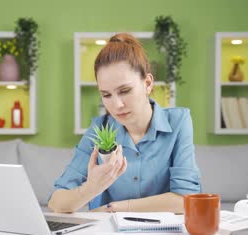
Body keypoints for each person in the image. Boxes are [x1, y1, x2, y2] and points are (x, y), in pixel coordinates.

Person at [48, 33, 200, 213]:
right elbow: (56, 202)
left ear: (148, 83)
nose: (117, 105)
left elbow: (186, 199)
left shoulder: (178, 122)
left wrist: (117, 207)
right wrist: (92, 187)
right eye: (106, 95)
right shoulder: (99, 128)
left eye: (125, 90)